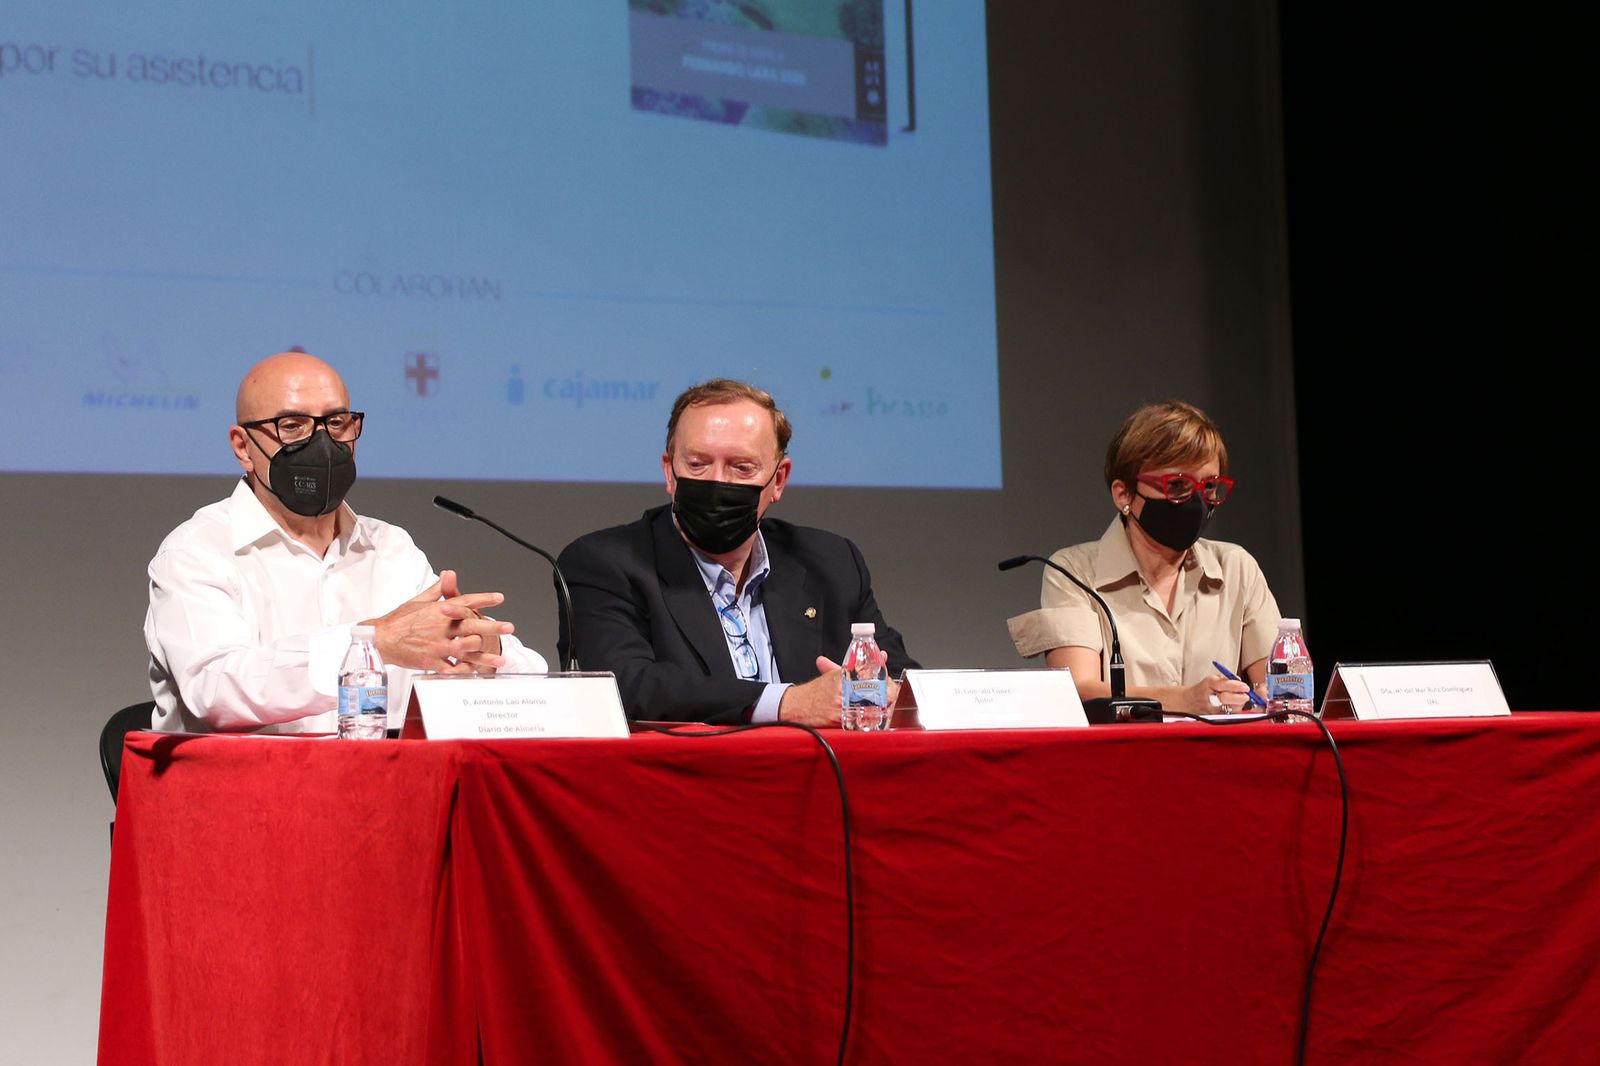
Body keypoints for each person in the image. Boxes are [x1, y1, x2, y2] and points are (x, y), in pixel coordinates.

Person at [145, 351, 547, 733]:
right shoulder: (197, 551)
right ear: (242, 447)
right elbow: (215, 690)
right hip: (243, 796)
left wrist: (486, 649)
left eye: (337, 423)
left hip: (379, 790)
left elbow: (530, 675)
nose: (323, 444)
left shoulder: (390, 548)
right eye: (292, 426)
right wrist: (374, 643)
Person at [557, 379, 916, 725]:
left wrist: (889, 692)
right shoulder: (602, 563)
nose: (717, 483)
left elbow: (906, 680)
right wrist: (789, 703)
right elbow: (625, 686)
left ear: (778, 480)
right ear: (669, 472)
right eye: (697, 464)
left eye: (741, 468)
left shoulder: (831, 561)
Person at [1008, 400, 1281, 714]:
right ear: (1123, 494)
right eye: (1177, 485)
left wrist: (1261, 695)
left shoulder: (1236, 567)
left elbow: (1276, 687)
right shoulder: (1074, 572)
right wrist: (1186, 700)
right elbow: (1079, 690)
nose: (1196, 502)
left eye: (1209, 487)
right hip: (1120, 758)